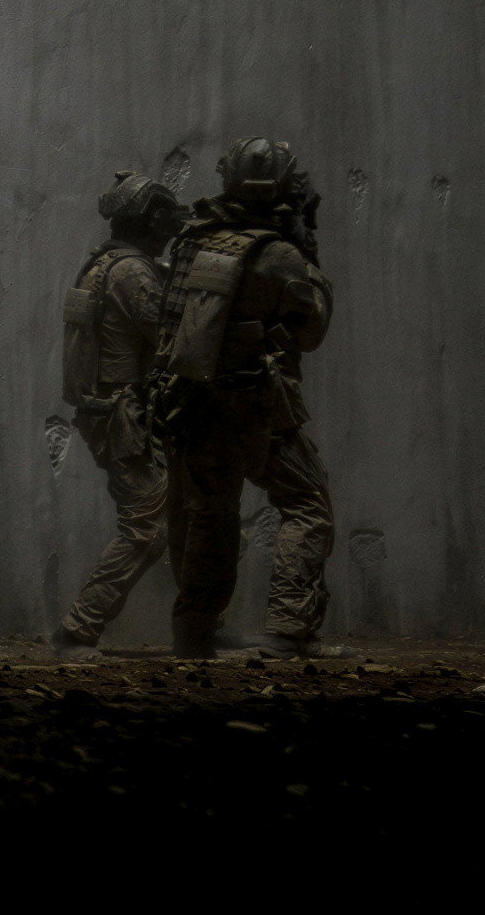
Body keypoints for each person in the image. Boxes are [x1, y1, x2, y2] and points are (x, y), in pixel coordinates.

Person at [156, 138, 337, 659]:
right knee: (307, 504)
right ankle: (289, 629)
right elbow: (310, 331)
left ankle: (194, 632)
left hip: (192, 402)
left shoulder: (192, 240)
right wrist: (310, 261)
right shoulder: (279, 254)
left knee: (211, 516)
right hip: (255, 403)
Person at [58, 169, 185, 647]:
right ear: (150, 218)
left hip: (117, 411)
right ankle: (80, 626)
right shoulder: (132, 271)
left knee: (192, 514)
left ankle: (203, 624)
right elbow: (171, 339)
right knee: (148, 527)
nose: (171, 226)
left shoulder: (103, 264)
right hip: (126, 415)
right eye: (166, 217)